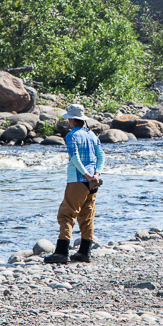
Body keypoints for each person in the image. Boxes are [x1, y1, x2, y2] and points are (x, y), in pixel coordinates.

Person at [45, 104, 104, 264]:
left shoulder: (72, 136)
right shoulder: (92, 135)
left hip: (77, 180)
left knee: (66, 214)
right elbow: (101, 156)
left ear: (71, 119)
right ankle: (84, 253)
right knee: (87, 216)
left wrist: (85, 174)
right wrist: (95, 175)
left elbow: (75, 157)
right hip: (93, 183)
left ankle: (61, 252)